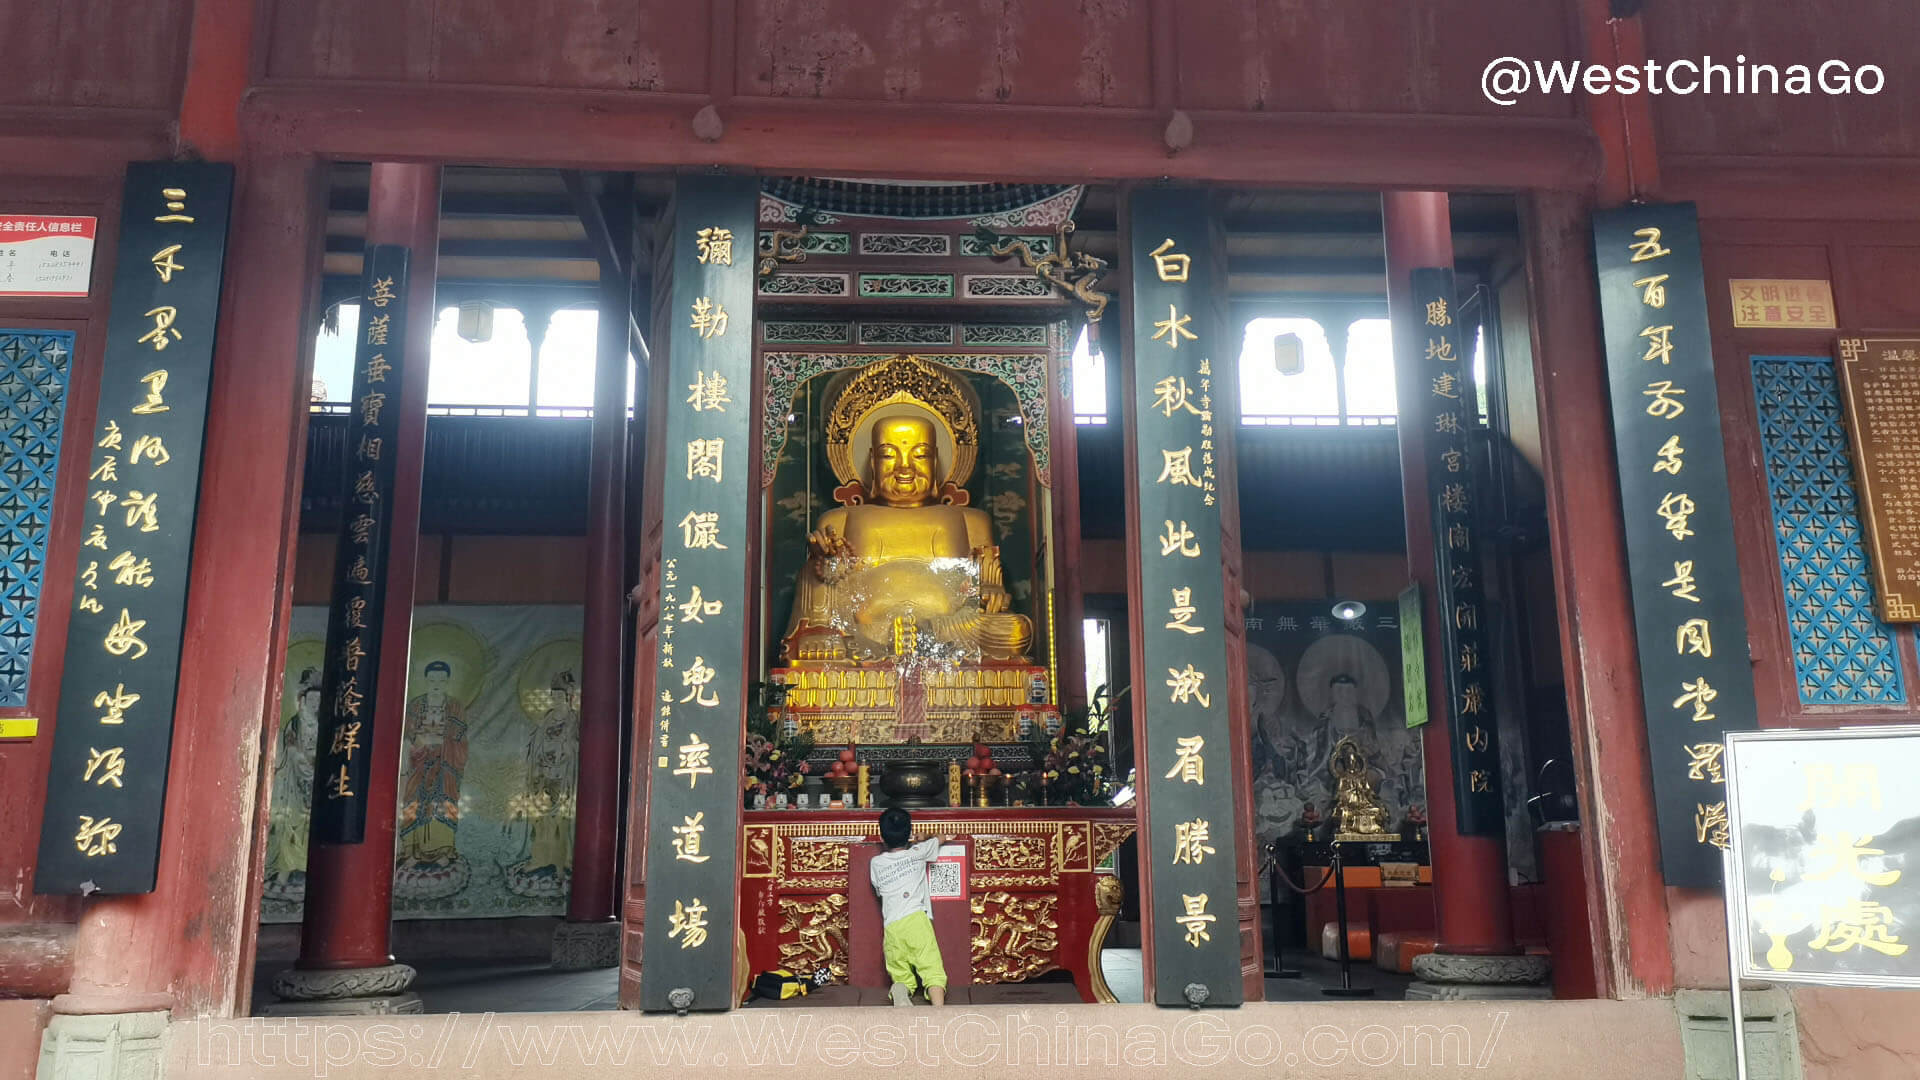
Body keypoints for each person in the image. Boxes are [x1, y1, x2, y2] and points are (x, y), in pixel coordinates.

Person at [869, 808, 950, 1006]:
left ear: (882, 836)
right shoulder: (919, 852)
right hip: (915, 921)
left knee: (901, 974)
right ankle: (939, 1012)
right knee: (932, 970)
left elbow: (878, 890)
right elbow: (945, 835)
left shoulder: (876, 863)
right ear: (910, 832)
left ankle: (900, 988)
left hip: (892, 927)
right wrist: (924, 838)